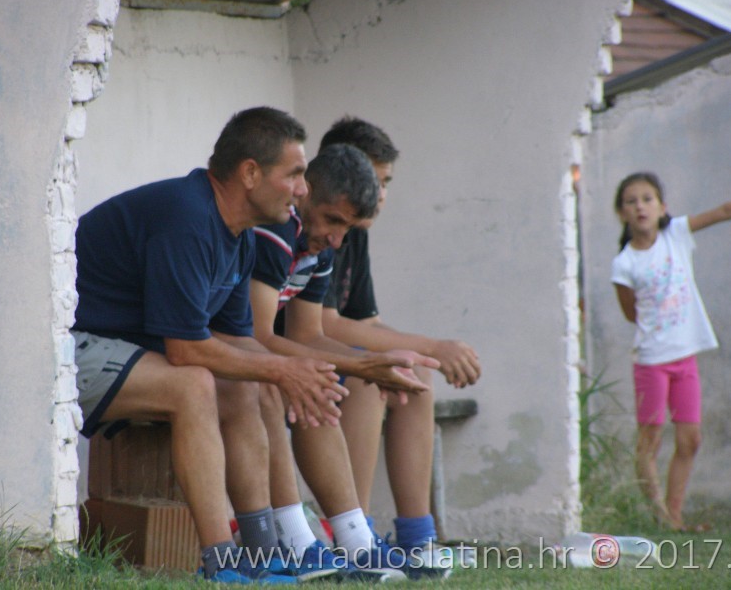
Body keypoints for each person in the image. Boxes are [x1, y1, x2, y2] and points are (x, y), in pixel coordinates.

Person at [72, 106, 349, 584]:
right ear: (250, 173)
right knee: (194, 384)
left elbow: (237, 338)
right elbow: (185, 350)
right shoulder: (188, 216)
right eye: (294, 174)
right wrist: (283, 369)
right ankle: (220, 562)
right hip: (64, 351)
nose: (304, 189)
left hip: (122, 352)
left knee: (245, 384)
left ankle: (263, 554)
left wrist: (302, 375)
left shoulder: (239, 236)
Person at [250, 142, 442, 580]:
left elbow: (307, 333)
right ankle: (301, 541)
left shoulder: (321, 247)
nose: (337, 239)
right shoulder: (276, 234)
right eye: (333, 220)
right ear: (305, 189)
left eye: (348, 228)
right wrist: (358, 365)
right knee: (306, 383)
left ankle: (360, 540)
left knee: (324, 380)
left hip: (252, 354)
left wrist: (377, 360)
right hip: (213, 352)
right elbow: (257, 337)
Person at [317, 117, 481, 566]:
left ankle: (417, 538)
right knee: (371, 376)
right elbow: (325, 326)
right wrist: (431, 346)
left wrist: (425, 353)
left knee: (414, 373)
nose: (381, 194)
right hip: (292, 355)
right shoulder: (321, 227)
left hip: (325, 356)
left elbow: (366, 322)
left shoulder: (355, 234)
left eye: (386, 183)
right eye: (375, 180)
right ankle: (355, 537)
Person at [611, 171, 731, 531]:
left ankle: (675, 514)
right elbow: (631, 313)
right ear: (621, 213)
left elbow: (724, 211)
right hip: (651, 362)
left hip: (685, 358)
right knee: (650, 440)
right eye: (631, 201)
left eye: (647, 199)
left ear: (662, 206)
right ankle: (660, 515)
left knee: (690, 439)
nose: (640, 207)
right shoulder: (624, 263)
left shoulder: (677, 234)